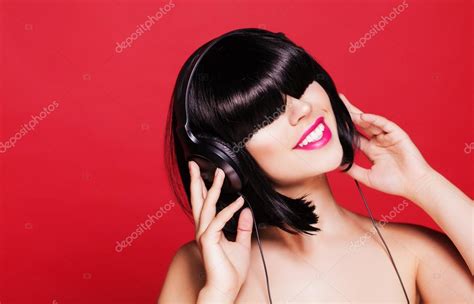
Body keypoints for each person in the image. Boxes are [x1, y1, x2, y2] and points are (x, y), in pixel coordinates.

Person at [158, 28, 472, 303]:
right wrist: (218, 296)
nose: (303, 108)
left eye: (299, 85)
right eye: (266, 115)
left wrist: (424, 184)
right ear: (225, 160)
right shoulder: (197, 266)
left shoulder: (413, 253)